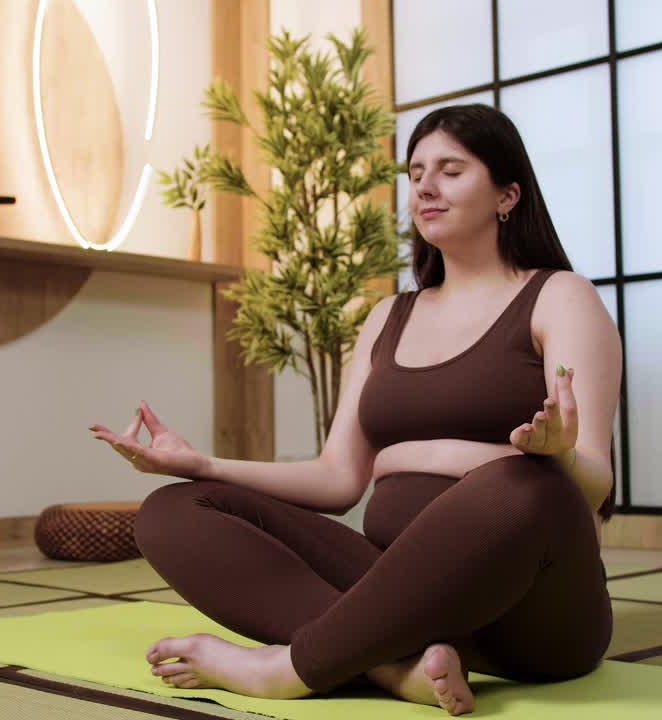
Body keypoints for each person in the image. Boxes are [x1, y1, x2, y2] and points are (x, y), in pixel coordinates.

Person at [89, 103, 622, 716]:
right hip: (395, 593)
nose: (425, 185)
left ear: (508, 194)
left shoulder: (559, 296)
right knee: (174, 509)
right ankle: (393, 669)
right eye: (416, 172)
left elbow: (591, 482)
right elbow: (337, 478)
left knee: (523, 483)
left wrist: (556, 460)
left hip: (534, 617)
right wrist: (201, 463)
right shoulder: (386, 318)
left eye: (451, 170)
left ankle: (285, 668)